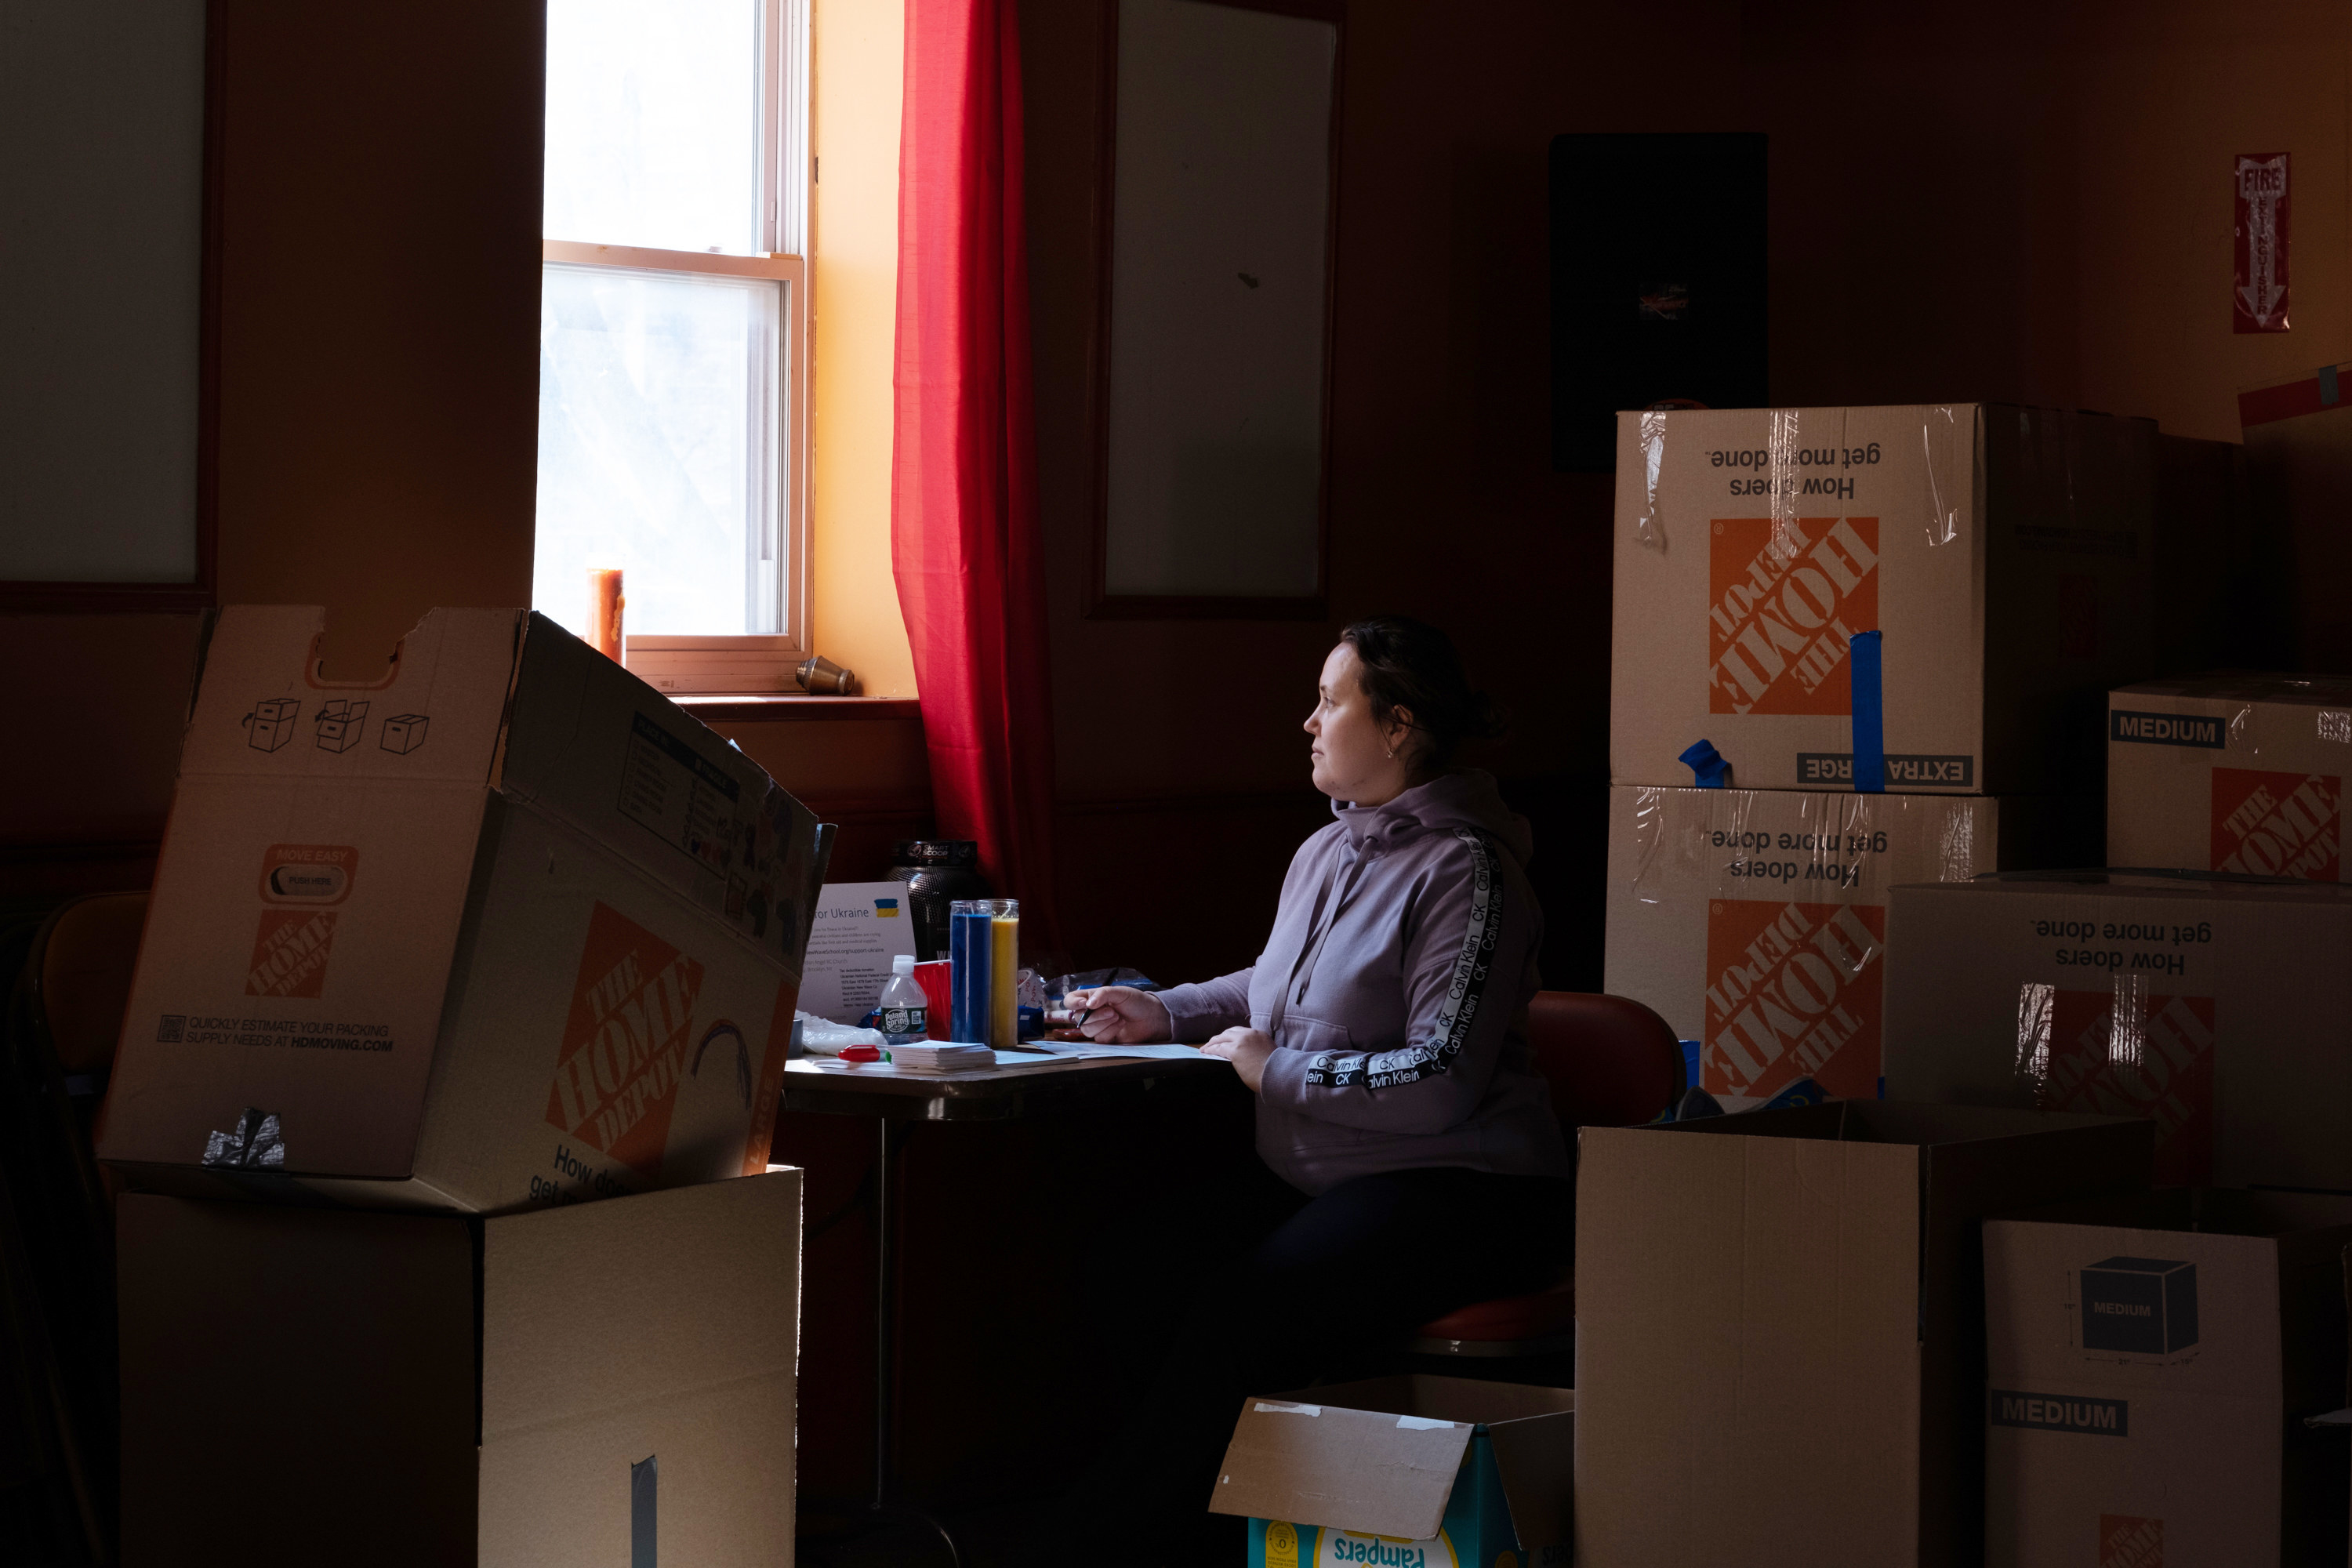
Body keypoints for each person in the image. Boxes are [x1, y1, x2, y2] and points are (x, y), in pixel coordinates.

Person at [1056, 615, 1573, 1559]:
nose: (1308, 720)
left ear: (1398, 728)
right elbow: (1270, 988)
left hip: (1465, 1188)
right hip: (1327, 1175)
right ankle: (1201, 1533)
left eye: (1331, 700)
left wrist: (1274, 1069)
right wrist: (1160, 1010)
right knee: (1132, 1266)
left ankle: (1100, 1544)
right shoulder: (1327, 851)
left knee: (1242, 1310)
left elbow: (1440, 1079)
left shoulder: (1469, 872)